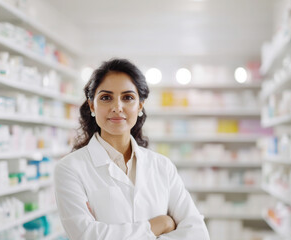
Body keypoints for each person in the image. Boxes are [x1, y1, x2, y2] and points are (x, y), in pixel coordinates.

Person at [54, 58, 210, 239]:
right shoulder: (69, 168)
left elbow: (198, 233)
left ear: (140, 106)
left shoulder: (162, 166)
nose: (117, 107)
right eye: (106, 98)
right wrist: (158, 225)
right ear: (92, 105)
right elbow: (87, 235)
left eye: (127, 98)